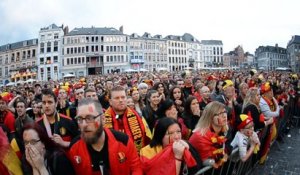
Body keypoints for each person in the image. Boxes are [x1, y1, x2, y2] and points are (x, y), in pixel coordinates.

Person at [69, 98, 143, 175]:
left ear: (103, 119)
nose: (84, 124)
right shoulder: (74, 148)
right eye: (80, 119)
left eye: (90, 118)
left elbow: (136, 168)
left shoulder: (123, 141)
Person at [104, 86, 151, 152]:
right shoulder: (102, 120)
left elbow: (147, 138)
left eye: (123, 97)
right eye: (117, 98)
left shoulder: (138, 116)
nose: (121, 100)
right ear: (110, 101)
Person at [189, 101, 229, 169]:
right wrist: (212, 162)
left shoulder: (225, 130)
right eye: (219, 113)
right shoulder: (200, 136)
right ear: (210, 116)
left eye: (224, 112)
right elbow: (201, 159)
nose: (224, 116)